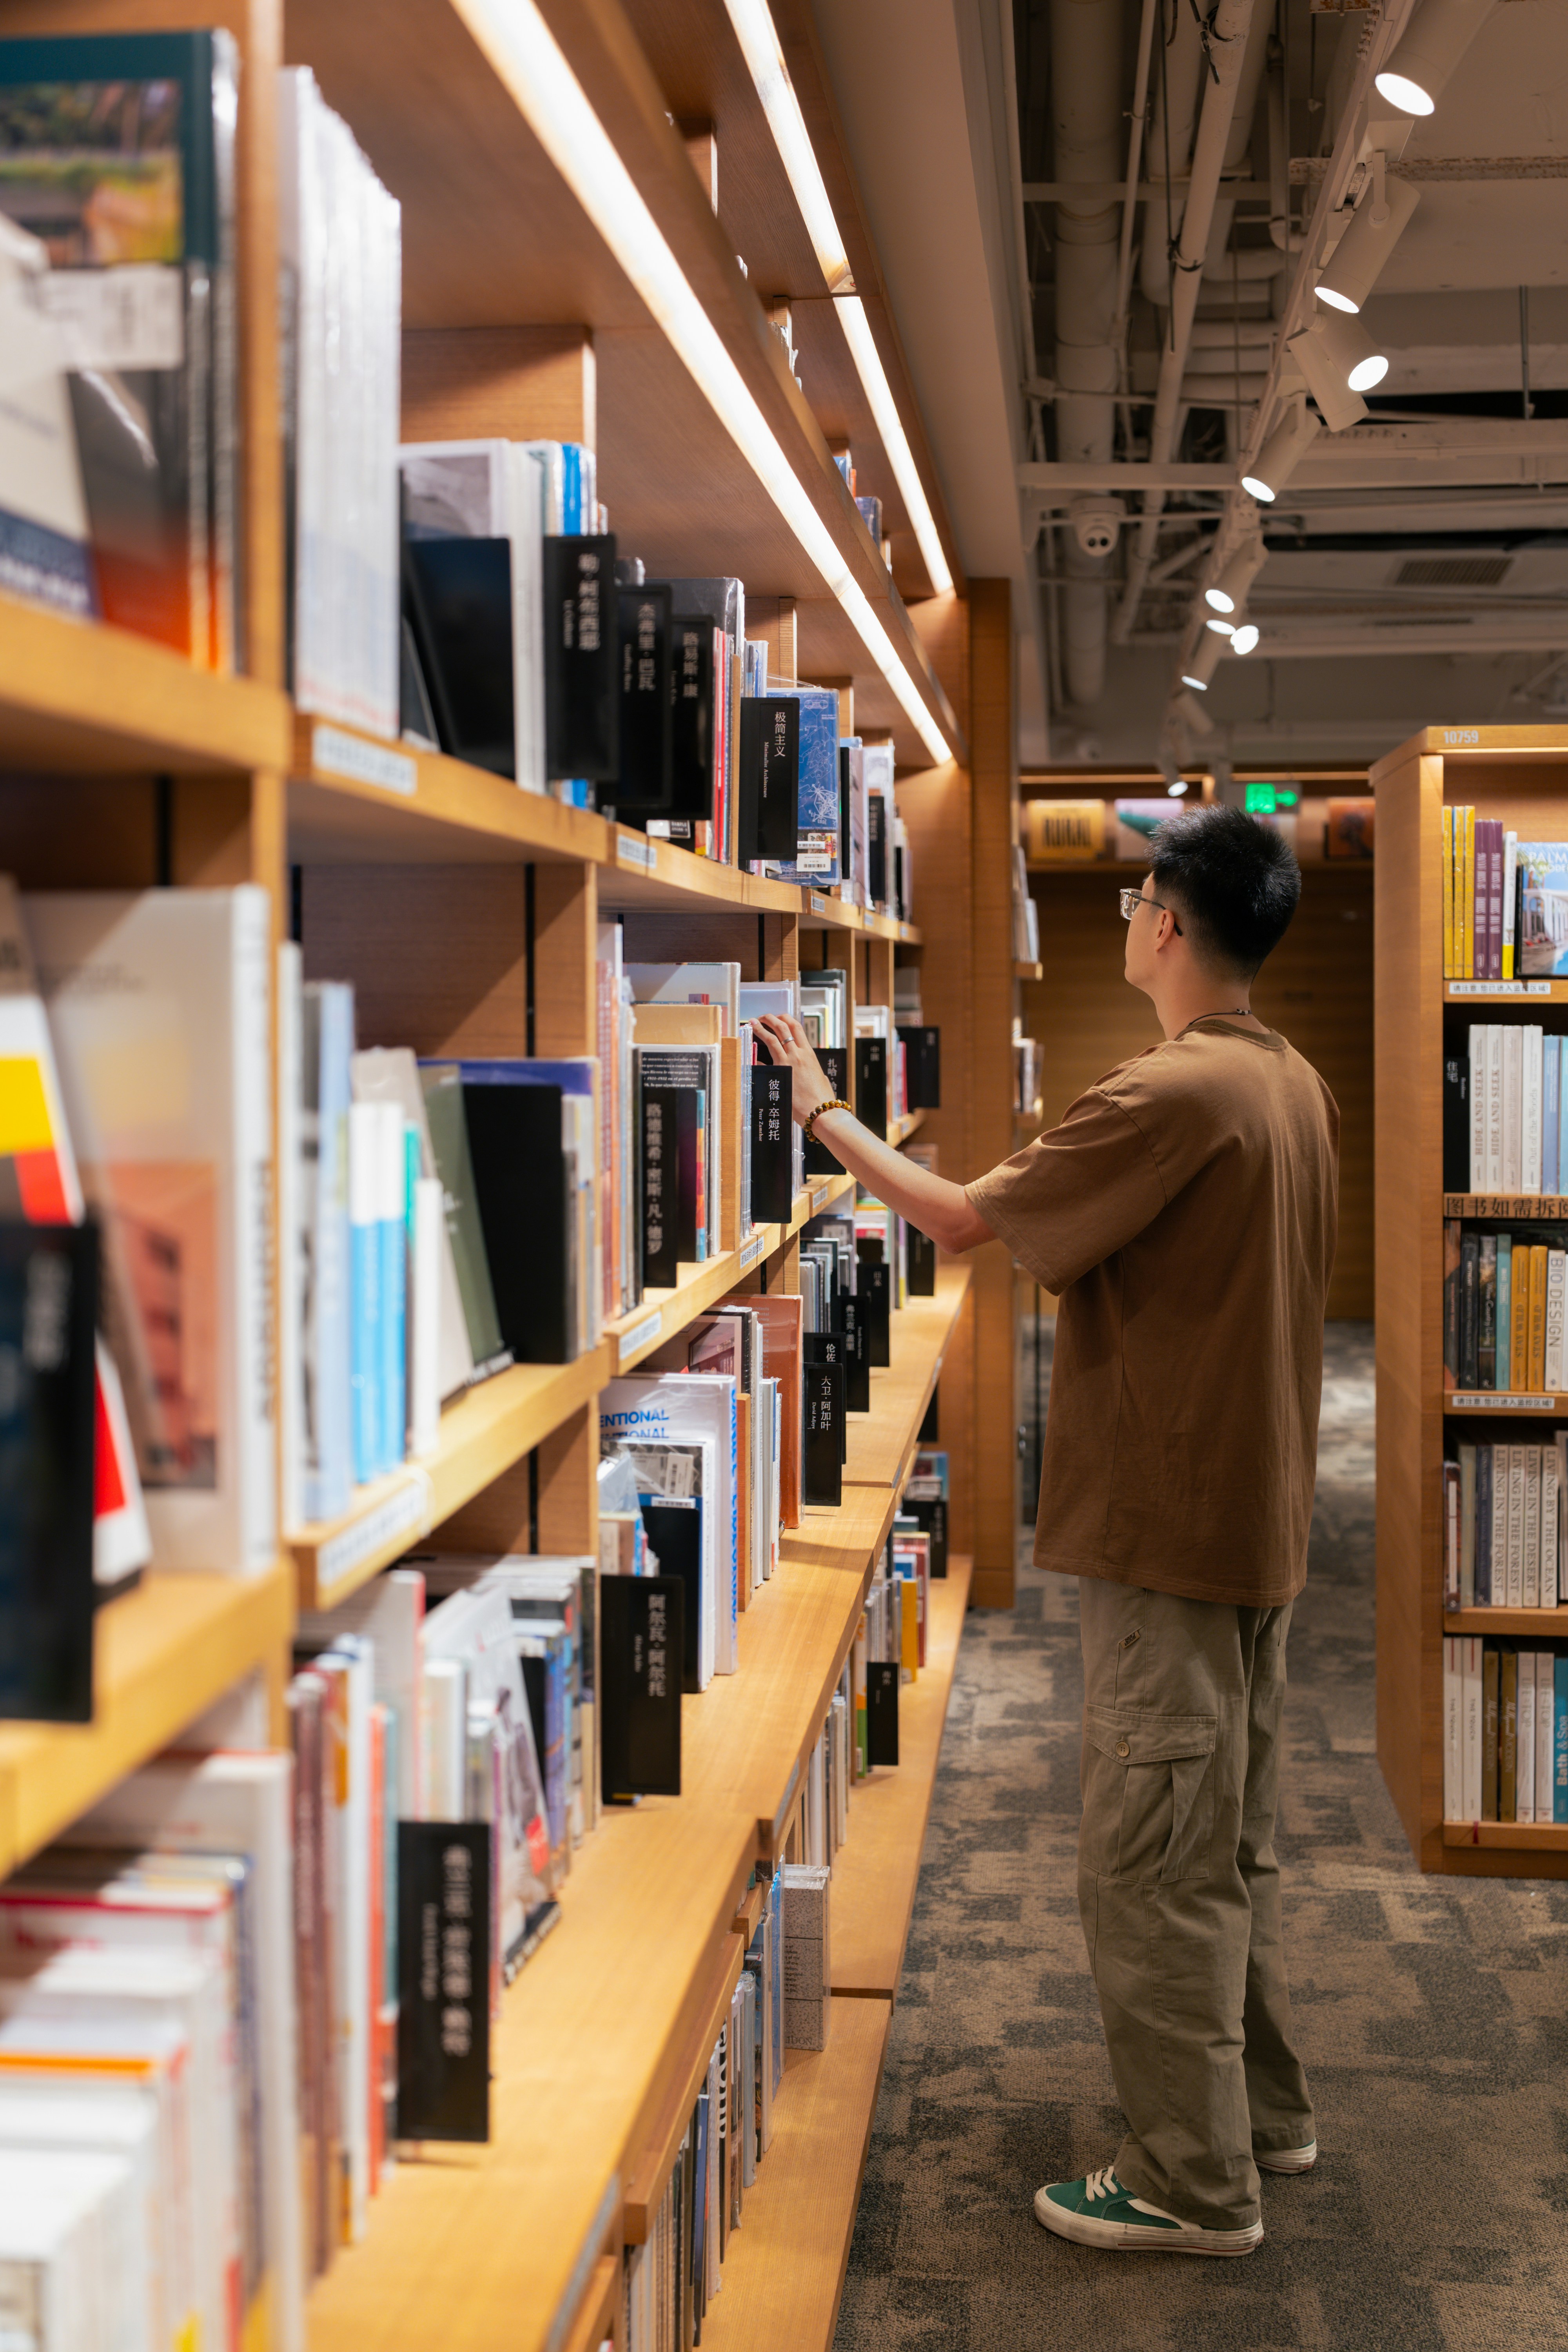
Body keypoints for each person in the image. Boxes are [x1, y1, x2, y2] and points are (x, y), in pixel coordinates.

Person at [752, 802, 1338, 2262]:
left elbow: (958, 1221)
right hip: (1248, 1522)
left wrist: (823, 1106)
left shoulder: (1169, 1092)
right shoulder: (1290, 1083)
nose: (1126, 919)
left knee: (1147, 1858)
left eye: (1136, 899)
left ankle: (1190, 2183)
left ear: (1167, 923)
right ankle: (1259, 2117)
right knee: (1225, 1845)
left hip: (1170, 1527)